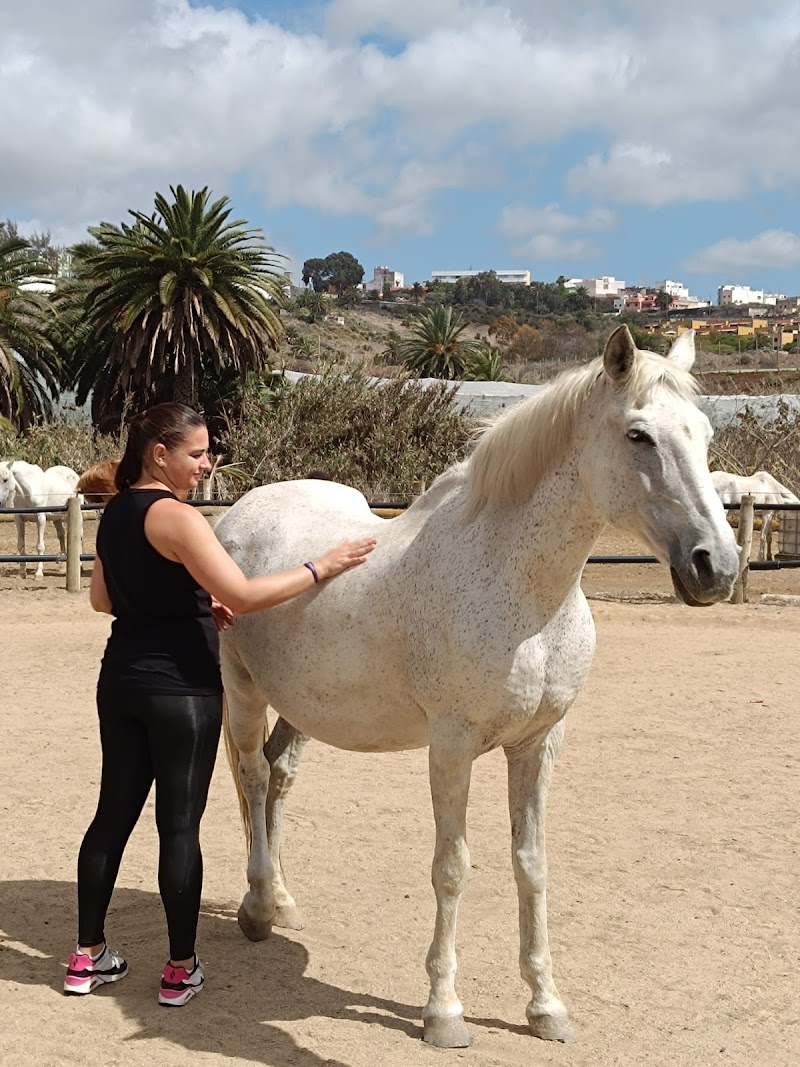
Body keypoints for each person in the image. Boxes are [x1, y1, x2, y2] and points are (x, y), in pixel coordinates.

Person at [64, 402, 376, 1006]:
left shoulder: (117, 511)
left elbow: (103, 600)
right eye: (198, 453)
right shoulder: (178, 517)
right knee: (179, 826)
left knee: (110, 818)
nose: (207, 464)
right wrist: (321, 566)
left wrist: (187, 604)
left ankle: (86, 956)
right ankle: (179, 969)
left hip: (121, 679)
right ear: (161, 454)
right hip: (181, 689)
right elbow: (243, 592)